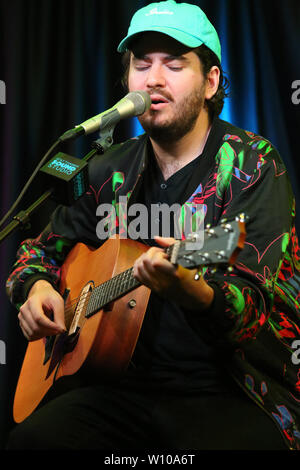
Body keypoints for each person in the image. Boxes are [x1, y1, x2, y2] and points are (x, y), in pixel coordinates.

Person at [5, 0, 300, 450]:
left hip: (228, 391)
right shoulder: (107, 169)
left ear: (211, 82)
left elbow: (256, 303)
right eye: (141, 65)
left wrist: (196, 292)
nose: (153, 79)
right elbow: (37, 249)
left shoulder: (251, 163)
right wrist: (36, 289)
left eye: (175, 65)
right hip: (119, 389)